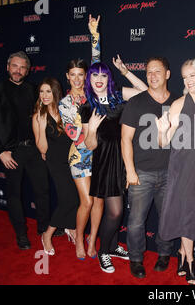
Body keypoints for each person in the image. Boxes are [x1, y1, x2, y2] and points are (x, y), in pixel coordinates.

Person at [156, 59, 195, 285]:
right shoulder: (178, 104)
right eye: (184, 77)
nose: (188, 81)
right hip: (182, 168)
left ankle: (182, 255)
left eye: (192, 75)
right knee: (186, 213)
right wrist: (162, 131)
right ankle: (190, 261)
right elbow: (164, 142)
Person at [80, 60, 147, 273]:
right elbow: (89, 146)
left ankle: (113, 246)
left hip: (126, 158)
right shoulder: (87, 107)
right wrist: (91, 129)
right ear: (89, 80)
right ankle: (103, 252)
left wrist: (126, 72)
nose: (99, 80)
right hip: (106, 163)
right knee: (116, 212)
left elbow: (146, 92)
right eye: (94, 76)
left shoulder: (119, 96)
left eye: (103, 76)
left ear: (109, 79)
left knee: (116, 210)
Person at [0, 51, 50, 250]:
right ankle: (21, 234)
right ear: (7, 67)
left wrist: (43, 146)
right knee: (13, 195)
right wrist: (0, 151)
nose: (18, 71)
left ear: (27, 70)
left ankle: (44, 228)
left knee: (43, 191)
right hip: (10, 153)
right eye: (15, 66)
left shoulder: (33, 90)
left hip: (34, 149)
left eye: (22, 67)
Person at [120, 57, 177, 278]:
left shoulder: (178, 103)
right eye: (149, 72)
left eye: (157, 71)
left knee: (167, 217)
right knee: (135, 221)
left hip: (170, 172)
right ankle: (135, 258)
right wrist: (130, 171)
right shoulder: (136, 102)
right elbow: (125, 139)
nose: (152, 76)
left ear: (167, 74)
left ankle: (164, 253)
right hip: (141, 173)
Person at [58, 14, 102, 259]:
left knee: (97, 201)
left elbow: (97, 62)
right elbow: (75, 136)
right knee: (86, 202)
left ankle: (92, 240)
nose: (77, 78)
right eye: (72, 74)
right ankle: (78, 237)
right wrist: (90, 129)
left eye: (81, 74)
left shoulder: (93, 93)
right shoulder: (64, 104)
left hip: (100, 154)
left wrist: (94, 34)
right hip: (80, 156)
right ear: (67, 76)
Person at [32, 77, 79, 255]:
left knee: (75, 197)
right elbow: (42, 148)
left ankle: (71, 228)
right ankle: (47, 234)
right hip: (55, 162)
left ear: (55, 92)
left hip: (72, 159)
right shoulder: (38, 115)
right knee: (68, 199)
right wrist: (43, 126)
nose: (44, 95)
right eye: (41, 92)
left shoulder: (65, 109)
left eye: (48, 91)